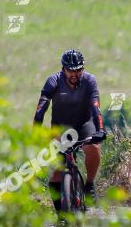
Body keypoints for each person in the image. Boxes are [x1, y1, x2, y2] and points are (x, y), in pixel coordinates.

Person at [33, 50, 105, 207]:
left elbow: (95, 107)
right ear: (63, 69)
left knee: (93, 146)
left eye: (78, 69)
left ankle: (90, 184)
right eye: (71, 70)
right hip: (60, 129)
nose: (75, 73)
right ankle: (61, 217)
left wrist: (100, 129)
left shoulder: (89, 81)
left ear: (83, 69)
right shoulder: (53, 81)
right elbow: (41, 109)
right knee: (55, 176)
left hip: (84, 125)